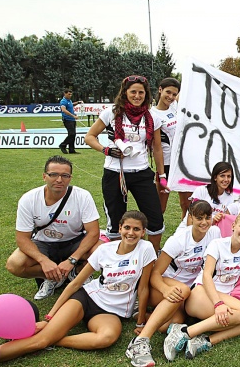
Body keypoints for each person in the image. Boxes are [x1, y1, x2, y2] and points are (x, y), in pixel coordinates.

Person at [0, 211, 156, 365]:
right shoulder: (104, 250)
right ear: (120, 228)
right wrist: (49, 317)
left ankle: (55, 339)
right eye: (127, 227)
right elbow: (75, 283)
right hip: (86, 298)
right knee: (41, 341)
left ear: (143, 232)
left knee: (106, 338)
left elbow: (143, 289)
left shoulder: (146, 249)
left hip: (112, 311)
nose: (131, 233)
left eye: (136, 229)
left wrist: (140, 322)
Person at [125, 201, 222, 367]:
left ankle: (139, 313)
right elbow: (155, 273)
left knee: (172, 323)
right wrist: (165, 290)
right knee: (182, 290)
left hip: (189, 290)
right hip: (163, 284)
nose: (204, 222)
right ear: (190, 217)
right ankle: (140, 341)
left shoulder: (215, 233)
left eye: (208, 217)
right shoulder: (178, 240)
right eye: (199, 218)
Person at [162, 212, 240, 361]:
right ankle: (184, 332)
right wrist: (218, 304)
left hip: (223, 299)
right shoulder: (217, 244)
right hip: (200, 293)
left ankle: (205, 341)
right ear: (233, 226)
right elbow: (206, 275)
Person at [84, 75, 167, 253]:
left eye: (141, 93)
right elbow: (89, 137)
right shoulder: (112, 112)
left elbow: (157, 148)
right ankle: (119, 256)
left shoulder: (152, 117)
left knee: (155, 217)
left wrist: (162, 175)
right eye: (133, 92)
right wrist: (106, 150)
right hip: (115, 172)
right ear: (125, 92)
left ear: (146, 94)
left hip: (141, 172)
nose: (137, 96)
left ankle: (153, 255)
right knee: (116, 218)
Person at [6, 155, 100, 300]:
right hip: (43, 243)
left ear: (70, 178)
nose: (59, 180)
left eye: (65, 175)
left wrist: (72, 260)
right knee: (14, 264)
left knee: (102, 250)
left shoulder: (82, 196)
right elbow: (22, 239)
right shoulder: (29, 199)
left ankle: (78, 272)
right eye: (53, 174)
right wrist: (43, 260)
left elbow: (93, 232)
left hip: (74, 241)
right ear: (44, 176)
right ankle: (52, 277)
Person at [150, 77, 188, 216]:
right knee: (160, 207)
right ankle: (155, 229)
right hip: (165, 164)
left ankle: (187, 229)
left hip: (181, 163)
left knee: (187, 205)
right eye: (168, 92)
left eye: (174, 94)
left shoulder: (174, 107)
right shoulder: (152, 114)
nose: (171, 97)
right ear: (160, 90)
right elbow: (156, 147)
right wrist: (161, 174)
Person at [58, 89, 82, 154]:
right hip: (67, 119)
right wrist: (73, 116)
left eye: (71, 94)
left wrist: (77, 103)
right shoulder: (63, 101)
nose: (70, 95)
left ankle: (71, 149)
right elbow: (64, 110)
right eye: (69, 94)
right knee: (72, 134)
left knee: (73, 135)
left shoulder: (69, 101)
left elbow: (71, 104)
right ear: (65, 94)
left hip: (72, 120)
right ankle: (63, 145)